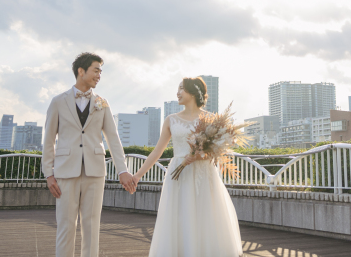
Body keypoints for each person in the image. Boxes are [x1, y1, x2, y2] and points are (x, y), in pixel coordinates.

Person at [131, 77, 243, 257]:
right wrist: (137, 175)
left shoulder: (212, 119)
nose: (177, 93)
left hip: (204, 172)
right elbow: (157, 152)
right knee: (179, 216)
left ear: (193, 92)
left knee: (206, 215)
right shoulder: (171, 120)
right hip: (179, 174)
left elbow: (218, 150)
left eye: (181, 89)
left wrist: (200, 154)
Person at [42, 52, 136, 257]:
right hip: (65, 172)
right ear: (81, 71)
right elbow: (49, 141)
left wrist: (123, 170)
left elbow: (113, 139)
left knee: (92, 225)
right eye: (96, 70)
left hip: (95, 172)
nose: (99, 75)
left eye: (101, 71)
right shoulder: (58, 102)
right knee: (65, 225)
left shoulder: (102, 103)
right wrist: (49, 174)